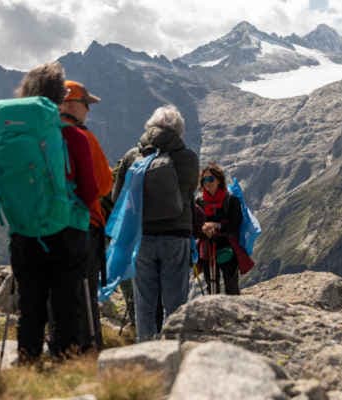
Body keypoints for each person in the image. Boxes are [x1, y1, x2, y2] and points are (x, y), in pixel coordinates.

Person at [10, 62, 98, 362]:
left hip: (23, 228)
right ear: (59, 97)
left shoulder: (13, 133)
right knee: (66, 306)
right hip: (66, 231)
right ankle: (66, 369)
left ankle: (27, 364)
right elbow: (89, 190)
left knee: (30, 306)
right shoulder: (74, 137)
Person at [112, 105, 199, 342]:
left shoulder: (133, 156)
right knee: (175, 301)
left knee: (145, 301)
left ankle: (145, 351)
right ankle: (173, 350)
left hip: (142, 236)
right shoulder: (188, 158)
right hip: (177, 234)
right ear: (179, 130)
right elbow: (190, 192)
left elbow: (116, 197)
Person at [59, 80, 112, 350]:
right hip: (83, 226)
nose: (88, 111)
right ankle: (89, 356)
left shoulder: (42, 134)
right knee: (84, 296)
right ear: (70, 103)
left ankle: (60, 355)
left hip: (45, 227)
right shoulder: (84, 138)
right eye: (85, 104)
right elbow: (104, 185)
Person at [194, 163, 243, 295]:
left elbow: (235, 224)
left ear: (219, 180)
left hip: (228, 248)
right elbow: (195, 225)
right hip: (207, 247)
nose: (207, 183)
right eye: (204, 180)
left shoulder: (231, 200)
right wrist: (203, 229)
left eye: (210, 179)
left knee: (231, 285)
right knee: (211, 286)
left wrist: (217, 226)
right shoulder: (199, 202)